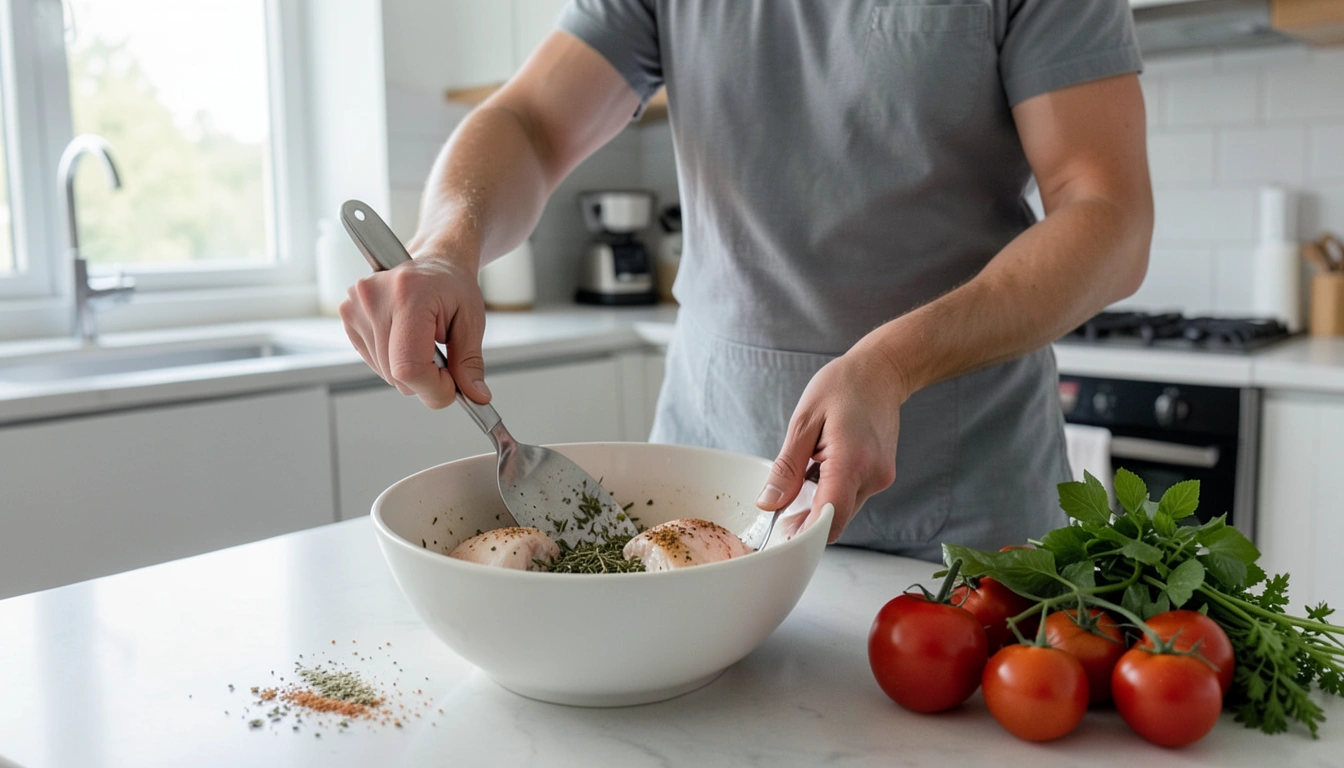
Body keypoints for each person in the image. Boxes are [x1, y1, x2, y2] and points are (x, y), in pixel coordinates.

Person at [340, 1, 1154, 561]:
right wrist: (447, 246)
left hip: (964, 506)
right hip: (702, 494)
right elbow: (529, 123)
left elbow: (1109, 215)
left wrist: (892, 363)